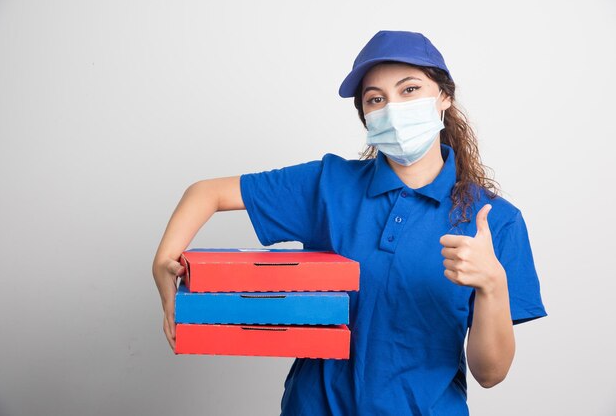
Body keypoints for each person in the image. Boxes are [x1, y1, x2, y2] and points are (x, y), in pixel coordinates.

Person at [152, 30, 547, 415]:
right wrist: (163, 262)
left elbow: (491, 374)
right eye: (376, 99)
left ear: (444, 96)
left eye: (409, 90)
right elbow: (206, 192)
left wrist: (492, 284)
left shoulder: (496, 222)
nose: (393, 108)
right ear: (366, 117)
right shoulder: (329, 185)